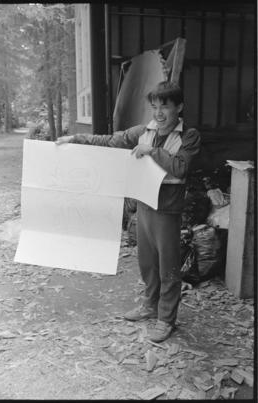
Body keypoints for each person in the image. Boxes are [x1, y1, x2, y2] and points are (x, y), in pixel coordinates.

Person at [56, 81, 200, 342]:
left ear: (179, 107)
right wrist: (75, 139)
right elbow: (111, 140)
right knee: (146, 262)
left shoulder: (189, 135)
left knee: (168, 266)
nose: (158, 113)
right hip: (144, 206)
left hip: (167, 210)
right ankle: (149, 305)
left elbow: (180, 167)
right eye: (154, 106)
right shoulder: (143, 130)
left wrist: (152, 151)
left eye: (165, 107)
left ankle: (166, 319)